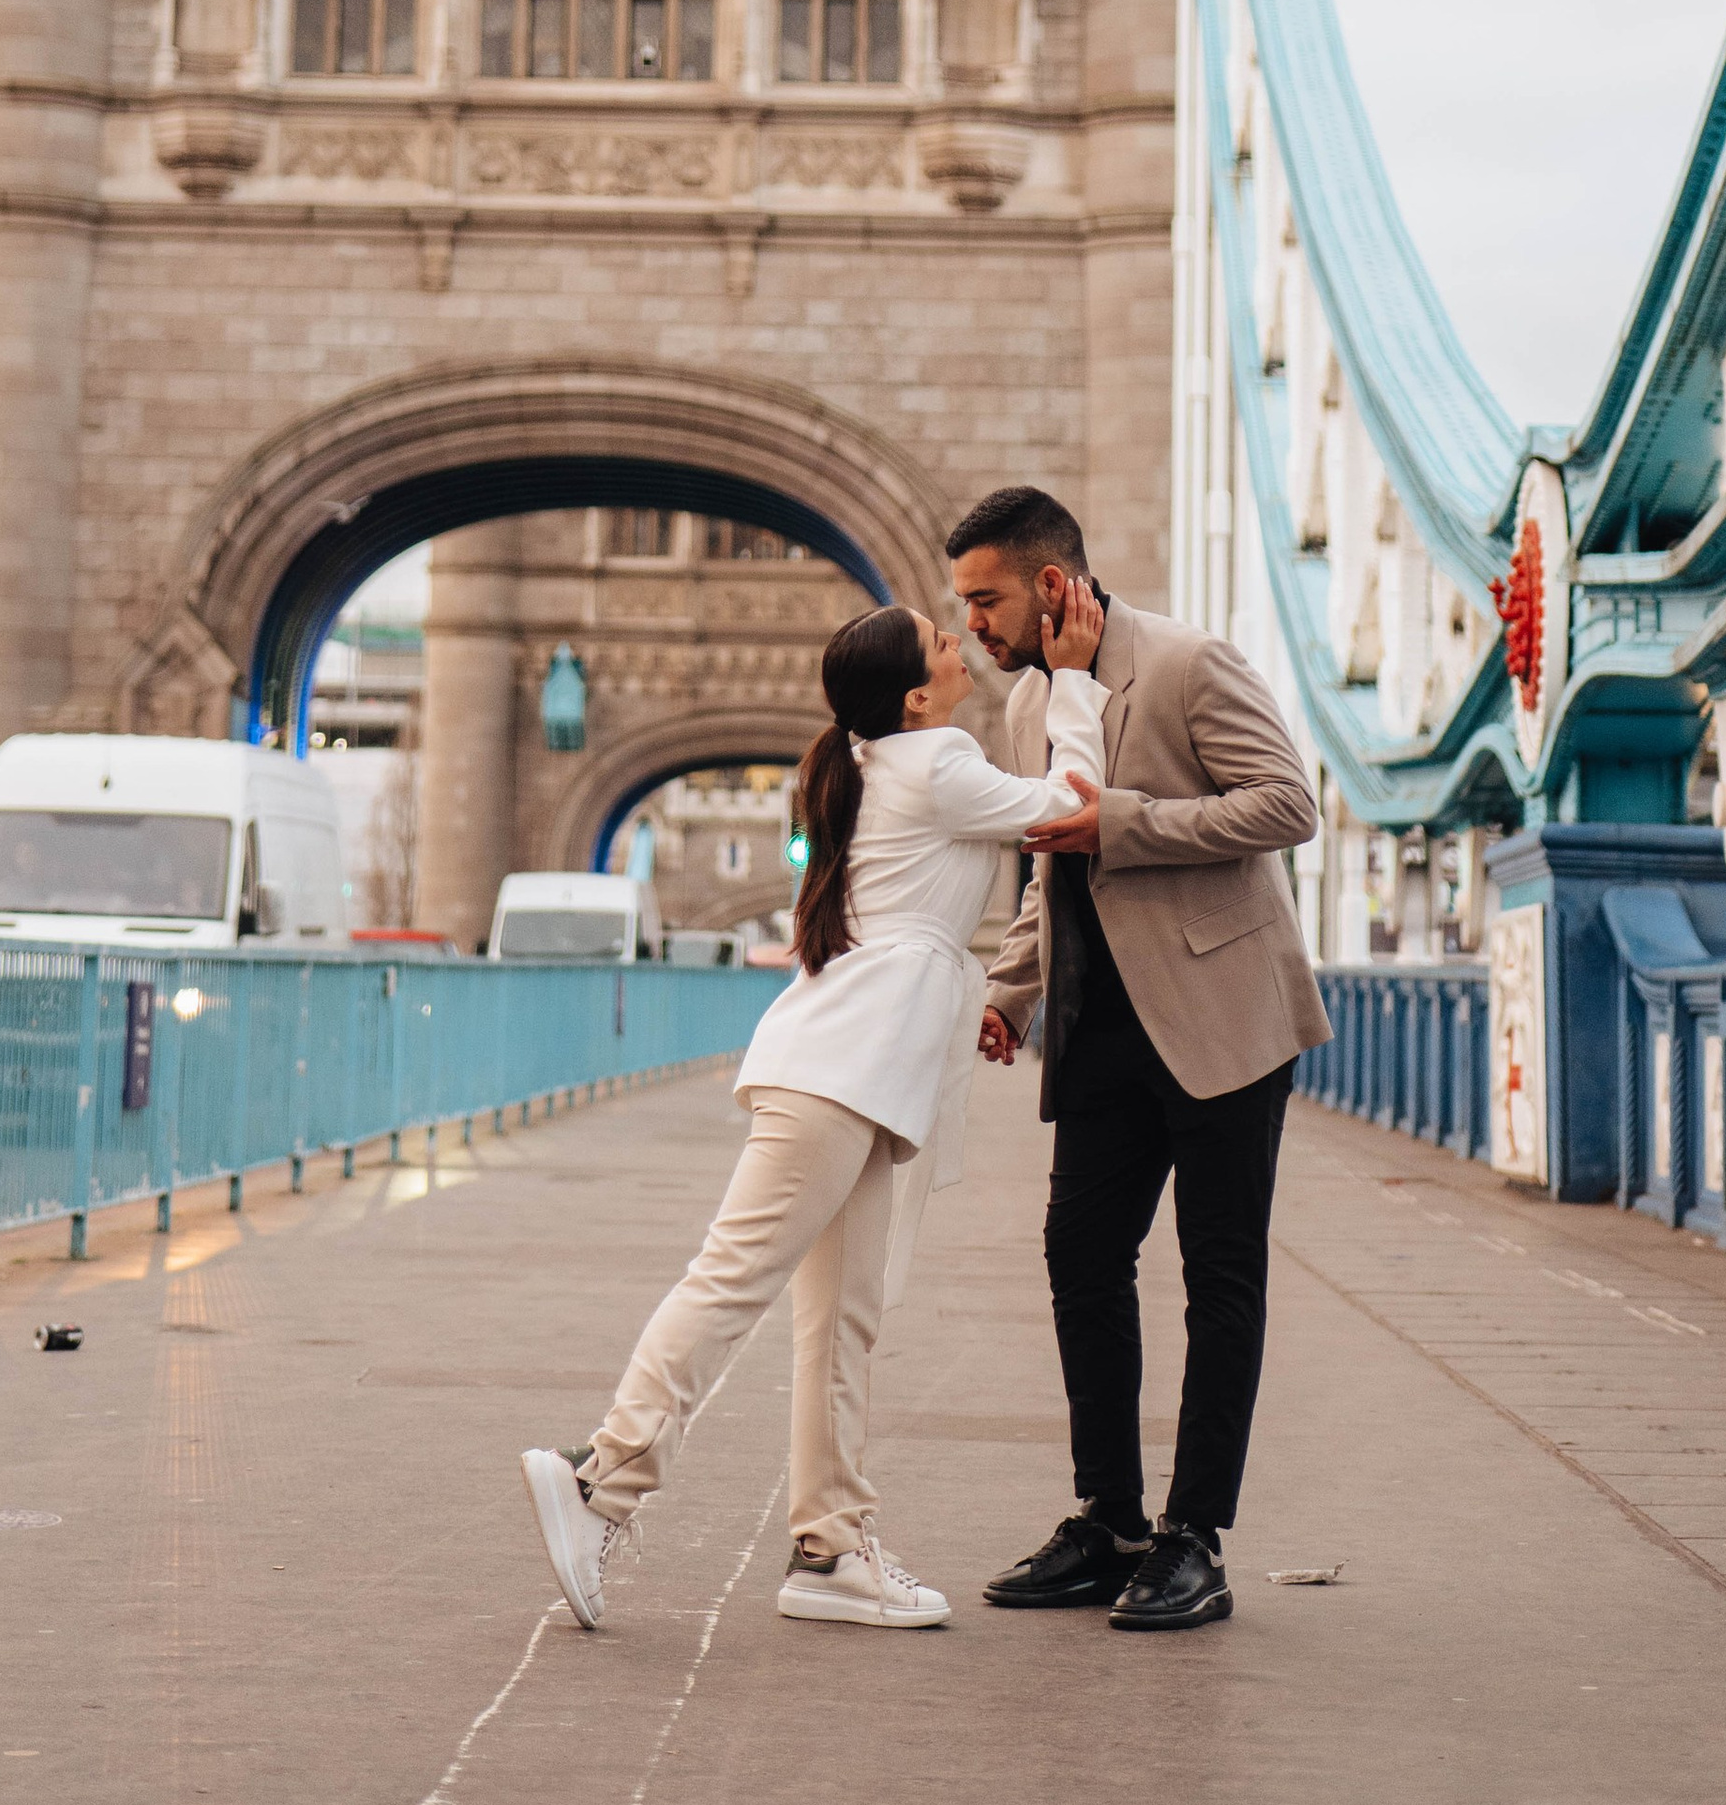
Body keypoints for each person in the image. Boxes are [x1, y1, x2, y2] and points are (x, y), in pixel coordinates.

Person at [521, 592, 1106, 1631]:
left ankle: (829, 1549)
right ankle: (600, 1477)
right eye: (941, 641)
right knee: (735, 1279)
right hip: (843, 1070)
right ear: (916, 695)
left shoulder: (882, 762)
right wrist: (1074, 683)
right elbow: (1070, 804)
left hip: (856, 1068)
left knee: (842, 1317)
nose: (959, 642)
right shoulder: (936, 762)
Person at [951, 482, 1328, 1633]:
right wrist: (1011, 990)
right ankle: (1108, 1521)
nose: (972, 625)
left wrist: (1122, 820)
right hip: (1101, 1028)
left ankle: (1192, 1538)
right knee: (1080, 1258)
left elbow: (1287, 806)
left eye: (985, 601)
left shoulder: (1187, 664)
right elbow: (1050, 872)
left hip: (1224, 1018)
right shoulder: (1030, 703)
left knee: (1218, 1278)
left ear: (1050, 584)